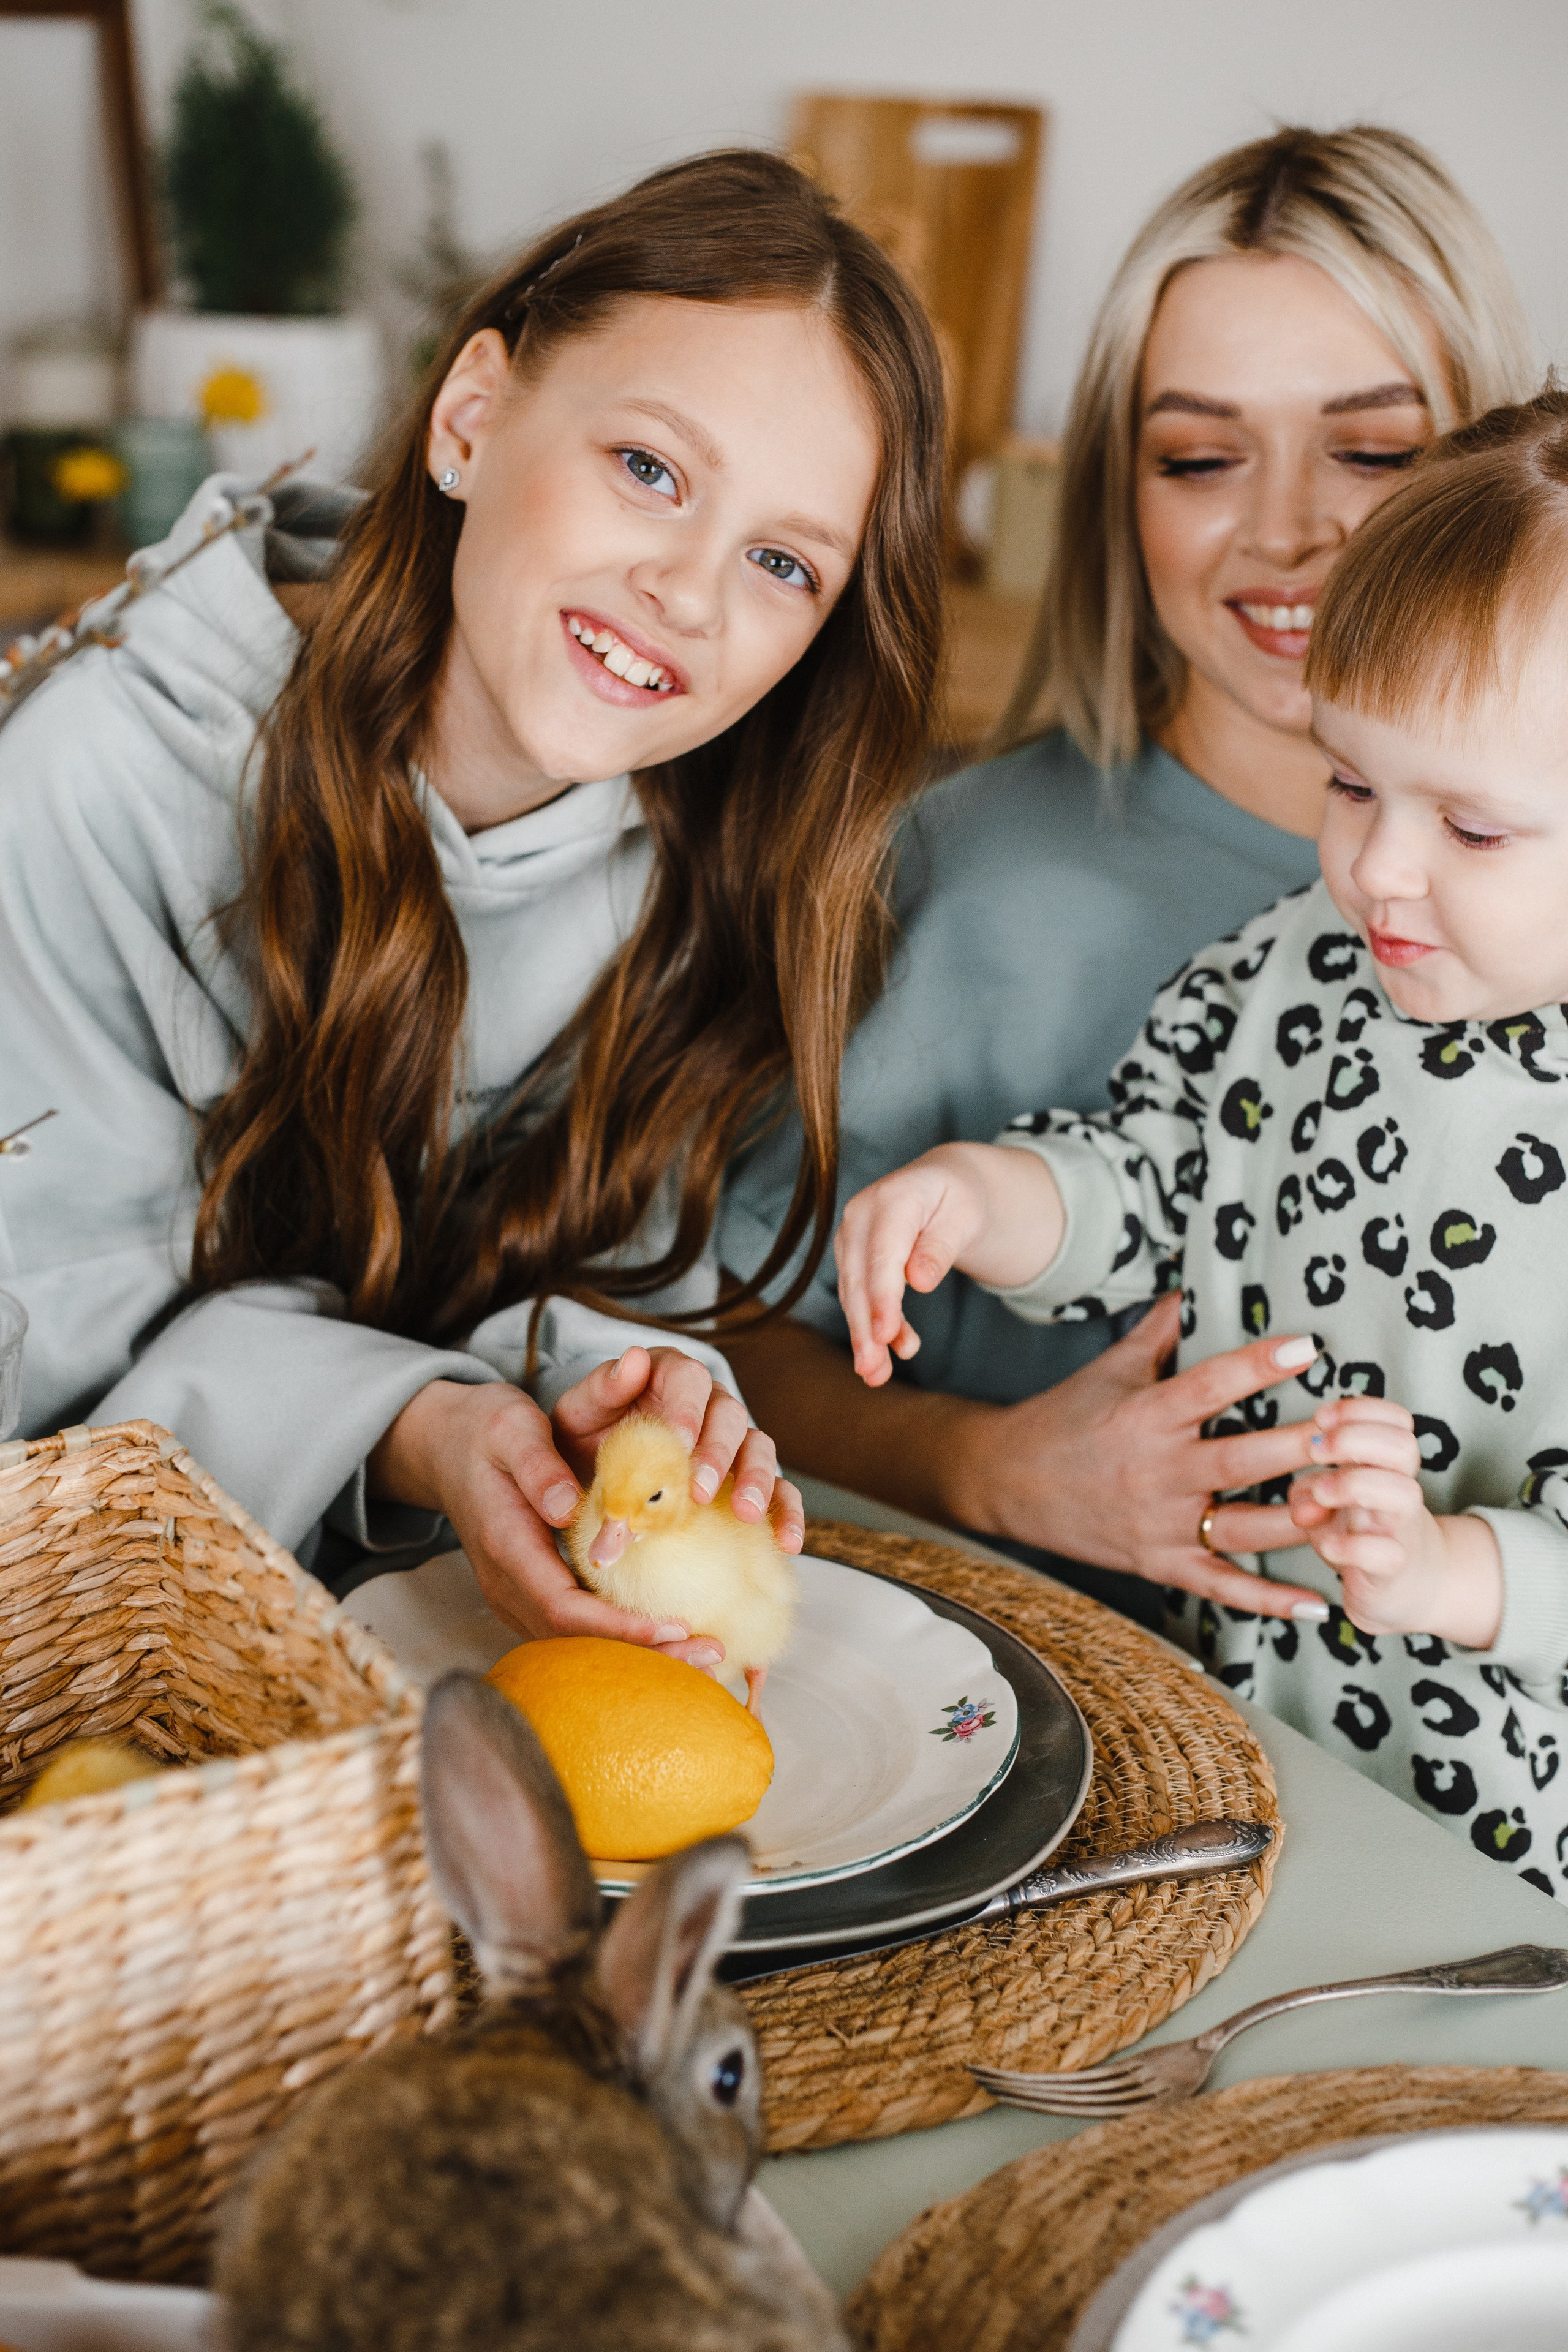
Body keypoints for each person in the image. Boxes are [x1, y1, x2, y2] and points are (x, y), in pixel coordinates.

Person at [0, 150, 946, 1656]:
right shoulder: (93, 786)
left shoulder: (695, 867)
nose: (689, 595)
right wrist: (421, 1426)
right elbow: (46, 1416)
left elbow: (597, 1264)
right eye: (649, 469)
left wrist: (615, 1390)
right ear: (469, 418)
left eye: (780, 563)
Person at [722, 125, 1535, 1629]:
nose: (1288, 528)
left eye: (1372, 448)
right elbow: (704, 1344)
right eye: (1197, 457)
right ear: (1117, 491)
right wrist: (994, 1472)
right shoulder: (948, 881)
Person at [833, 386, 1568, 1898]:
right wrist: (984, 1199)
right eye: (1349, 783)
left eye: (1472, 830)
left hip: (1511, 1854)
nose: (1376, 867)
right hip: (1247, 1749)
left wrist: (1452, 1572)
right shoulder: (1296, 967)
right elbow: (1152, 1180)